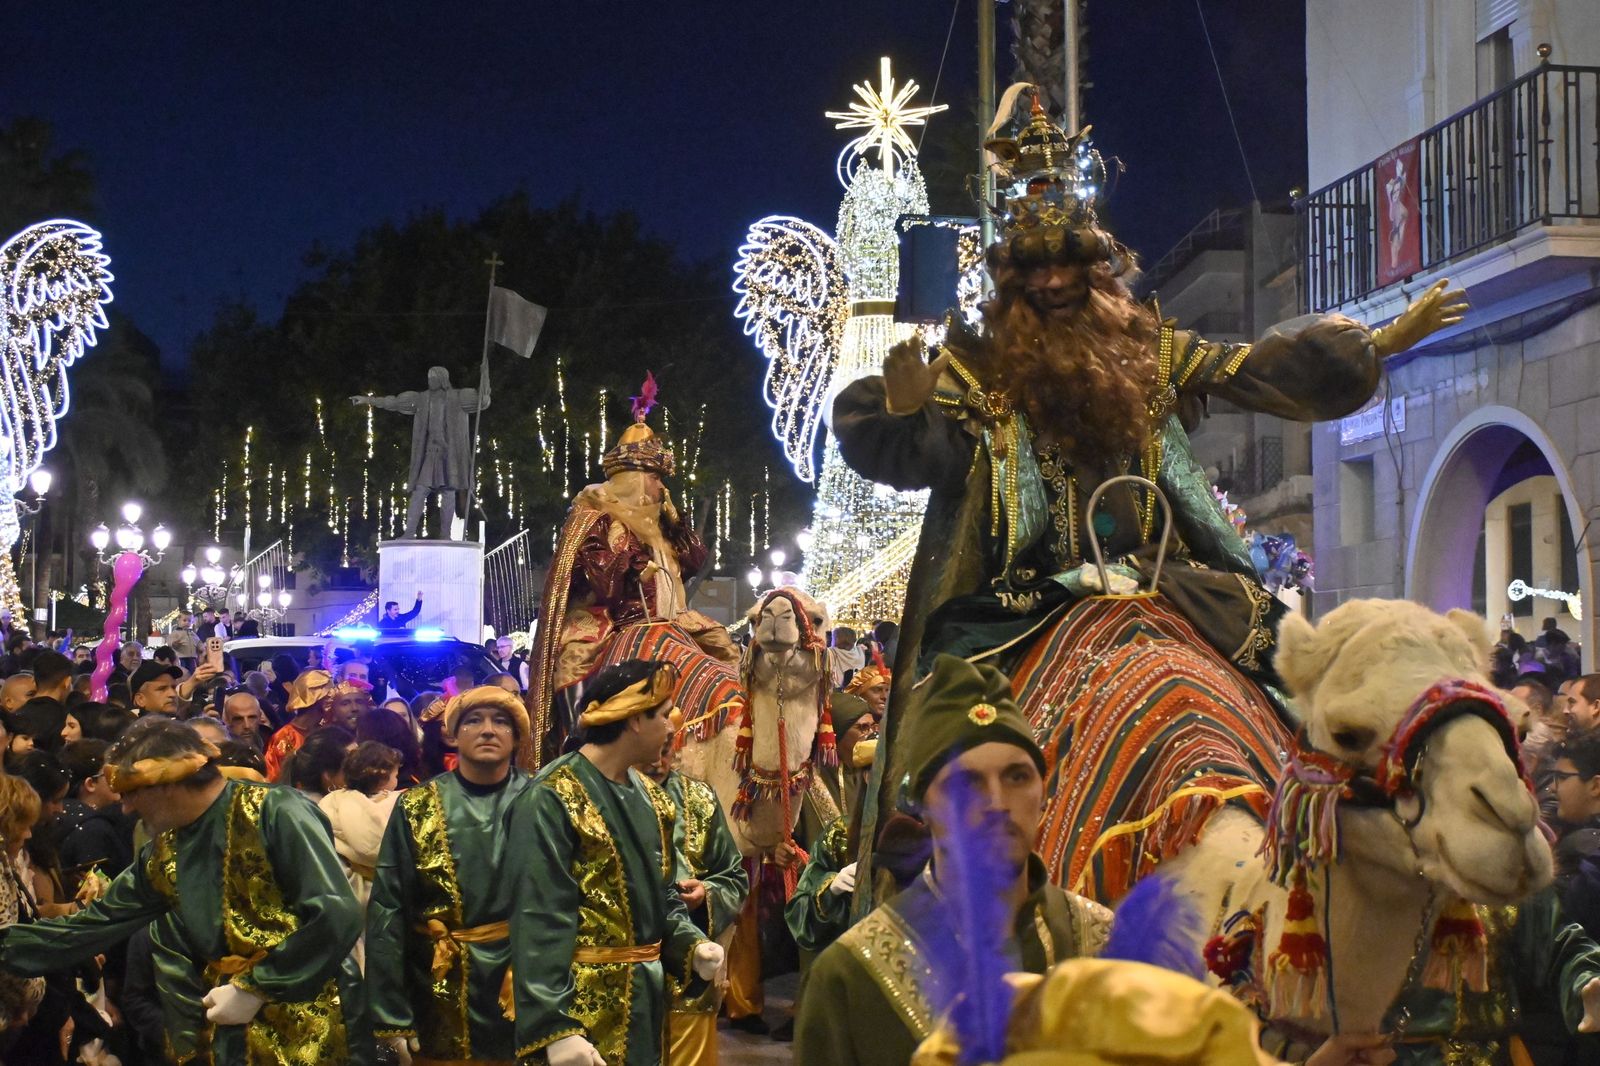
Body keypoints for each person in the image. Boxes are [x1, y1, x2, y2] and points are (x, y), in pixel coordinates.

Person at [829, 92, 1468, 903]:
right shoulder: (976, 373)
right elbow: (903, 452)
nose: (1056, 282)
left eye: (1070, 265)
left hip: (1165, 580)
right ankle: (922, 871)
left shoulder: (1155, 355)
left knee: (1289, 677)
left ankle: (1356, 826)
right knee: (942, 715)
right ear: (1011, 278)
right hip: (1020, 604)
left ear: (1097, 269)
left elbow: (1254, 370)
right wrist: (903, 404)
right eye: (1037, 269)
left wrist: (1370, 344)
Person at [794, 654, 1113, 1066]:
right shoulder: (850, 977)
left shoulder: (1101, 941)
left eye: (1017, 777)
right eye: (967, 782)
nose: (997, 803)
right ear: (923, 805)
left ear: (1044, 795)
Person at [0, 716, 372, 1064]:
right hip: (228, 1023)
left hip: (314, 1016)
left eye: (131, 792)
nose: (126, 809)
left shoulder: (276, 811)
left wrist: (257, 987)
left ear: (166, 784)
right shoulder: (164, 851)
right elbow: (94, 925)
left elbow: (336, 914)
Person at [507, 660, 724, 1065]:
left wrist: (691, 946)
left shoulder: (653, 799)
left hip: (644, 1000)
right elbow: (538, 918)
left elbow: (664, 895)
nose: (668, 728)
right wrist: (554, 1027)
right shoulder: (551, 798)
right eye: (661, 716)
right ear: (635, 720)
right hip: (579, 1008)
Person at [530, 376, 742, 765]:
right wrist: (633, 558)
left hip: (670, 621)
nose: (663, 487)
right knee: (572, 660)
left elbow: (695, 560)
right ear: (636, 479)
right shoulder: (594, 518)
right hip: (612, 623)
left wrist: (674, 520)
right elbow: (604, 584)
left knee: (726, 654)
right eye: (657, 478)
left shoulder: (660, 524)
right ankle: (580, 745)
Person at [367, 687, 531, 1064]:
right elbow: (388, 910)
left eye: (501, 721)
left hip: (522, 975)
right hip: (440, 982)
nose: (488, 730)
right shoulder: (417, 804)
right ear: (452, 735)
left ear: (517, 736)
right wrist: (391, 1016)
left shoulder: (541, 798)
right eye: (474, 720)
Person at [637, 713, 749, 1066]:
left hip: (691, 974)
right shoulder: (603, 797)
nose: (659, 754)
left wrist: (707, 892)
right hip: (623, 969)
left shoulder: (700, 798)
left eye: (668, 743)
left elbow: (733, 875)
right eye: (654, 742)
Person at [353, 365, 489, 538]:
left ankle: (445, 535)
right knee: (419, 491)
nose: (430, 380)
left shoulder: (458, 397)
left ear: (441, 379)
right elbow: (393, 402)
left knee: (448, 492)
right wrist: (367, 400)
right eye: (429, 377)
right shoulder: (421, 399)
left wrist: (485, 377)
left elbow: (482, 401)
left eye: (433, 377)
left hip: (450, 455)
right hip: (430, 454)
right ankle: (409, 533)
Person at [319, 742, 403, 973]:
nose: (398, 778)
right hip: (383, 890)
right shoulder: (397, 804)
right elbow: (375, 848)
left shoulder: (329, 802)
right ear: (383, 777)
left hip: (342, 887)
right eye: (396, 773)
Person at [57, 739, 134, 880]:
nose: (118, 777)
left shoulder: (59, 814)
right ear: (91, 783)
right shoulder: (94, 830)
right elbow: (102, 892)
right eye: (110, 773)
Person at [263, 669, 335, 782]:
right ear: (318, 699)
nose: (333, 702)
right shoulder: (284, 738)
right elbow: (273, 780)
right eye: (330, 696)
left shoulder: (328, 732)